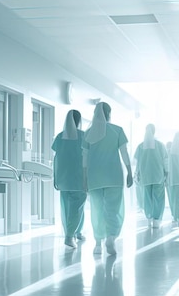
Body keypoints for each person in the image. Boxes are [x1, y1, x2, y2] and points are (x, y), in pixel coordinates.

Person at [82, 102, 133, 255]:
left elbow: (84, 159)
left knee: (97, 210)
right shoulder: (117, 131)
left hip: (94, 177)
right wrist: (130, 171)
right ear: (109, 114)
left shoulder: (88, 134)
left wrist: (84, 179)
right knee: (114, 209)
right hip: (113, 177)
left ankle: (98, 244)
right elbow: (124, 153)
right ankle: (111, 237)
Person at [52, 110, 87, 249]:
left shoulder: (60, 137)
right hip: (78, 178)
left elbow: (56, 159)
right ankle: (69, 236)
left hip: (63, 178)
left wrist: (55, 178)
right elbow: (88, 158)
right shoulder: (83, 136)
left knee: (67, 208)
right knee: (77, 208)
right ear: (79, 121)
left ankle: (76, 232)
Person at [134, 124, 168, 228]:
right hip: (158, 176)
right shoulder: (160, 145)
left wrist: (137, 174)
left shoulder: (140, 146)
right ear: (154, 131)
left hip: (146, 176)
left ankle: (149, 218)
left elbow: (137, 162)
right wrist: (167, 172)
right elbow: (165, 161)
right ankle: (156, 221)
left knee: (147, 198)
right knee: (159, 198)